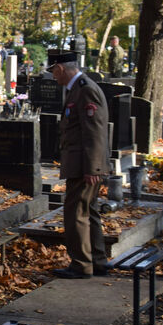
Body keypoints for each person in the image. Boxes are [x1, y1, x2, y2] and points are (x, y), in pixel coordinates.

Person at [48, 51, 109, 279]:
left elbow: (94, 131)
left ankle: (81, 264)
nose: (54, 77)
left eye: (53, 71)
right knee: (88, 211)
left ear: (60, 68)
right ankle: (97, 260)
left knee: (76, 213)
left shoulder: (85, 89)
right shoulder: (79, 88)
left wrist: (92, 168)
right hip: (83, 163)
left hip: (84, 165)